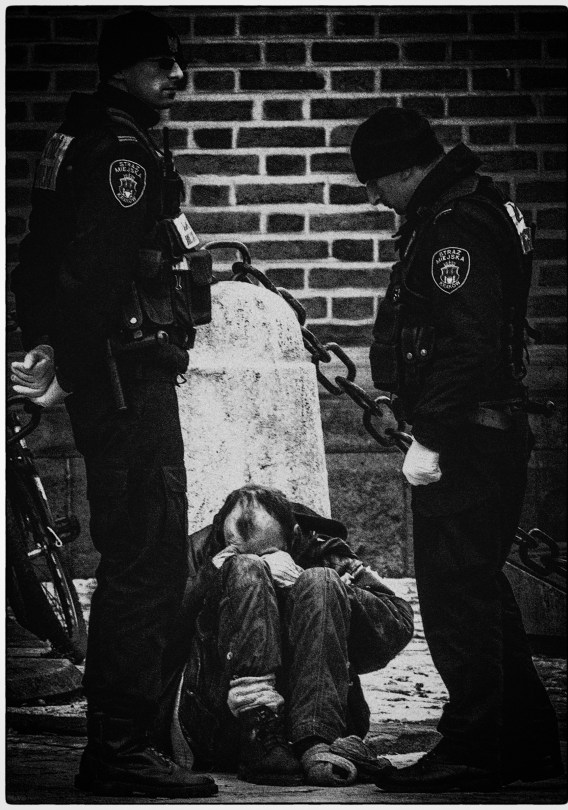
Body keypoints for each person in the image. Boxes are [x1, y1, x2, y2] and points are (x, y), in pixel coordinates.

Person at [10, 10, 217, 799]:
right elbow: (96, 272)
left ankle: (133, 742)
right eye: (160, 65)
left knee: (141, 554)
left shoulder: (77, 137)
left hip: (110, 375)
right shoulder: (122, 152)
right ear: (121, 71)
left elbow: (41, 254)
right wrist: (69, 358)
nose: (177, 77)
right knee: (147, 561)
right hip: (127, 381)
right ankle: (123, 749)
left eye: (179, 63)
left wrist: (45, 343)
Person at [349, 107, 563, 792]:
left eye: (376, 183)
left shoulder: (454, 227)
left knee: (456, 599)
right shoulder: (469, 208)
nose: (375, 198)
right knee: (480, 592)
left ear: (403, 171)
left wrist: (432, 437)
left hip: (469, 438)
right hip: (480, 432)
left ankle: (474, 746)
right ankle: (524, 741)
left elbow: (469, 346)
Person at [155, 484, 414, 787]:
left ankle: (317, 739)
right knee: (246, 570)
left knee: (320, 581)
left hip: (314, 719)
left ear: (292, 536)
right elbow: (155, 640)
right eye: (237, 550)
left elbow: (396, 626)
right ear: (222, 534)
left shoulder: (318, 546)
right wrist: (212, 578)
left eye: (268, 553)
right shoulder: (200, 550)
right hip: (215, 718)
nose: (262, 563)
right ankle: (258, 726)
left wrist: (313, 585)